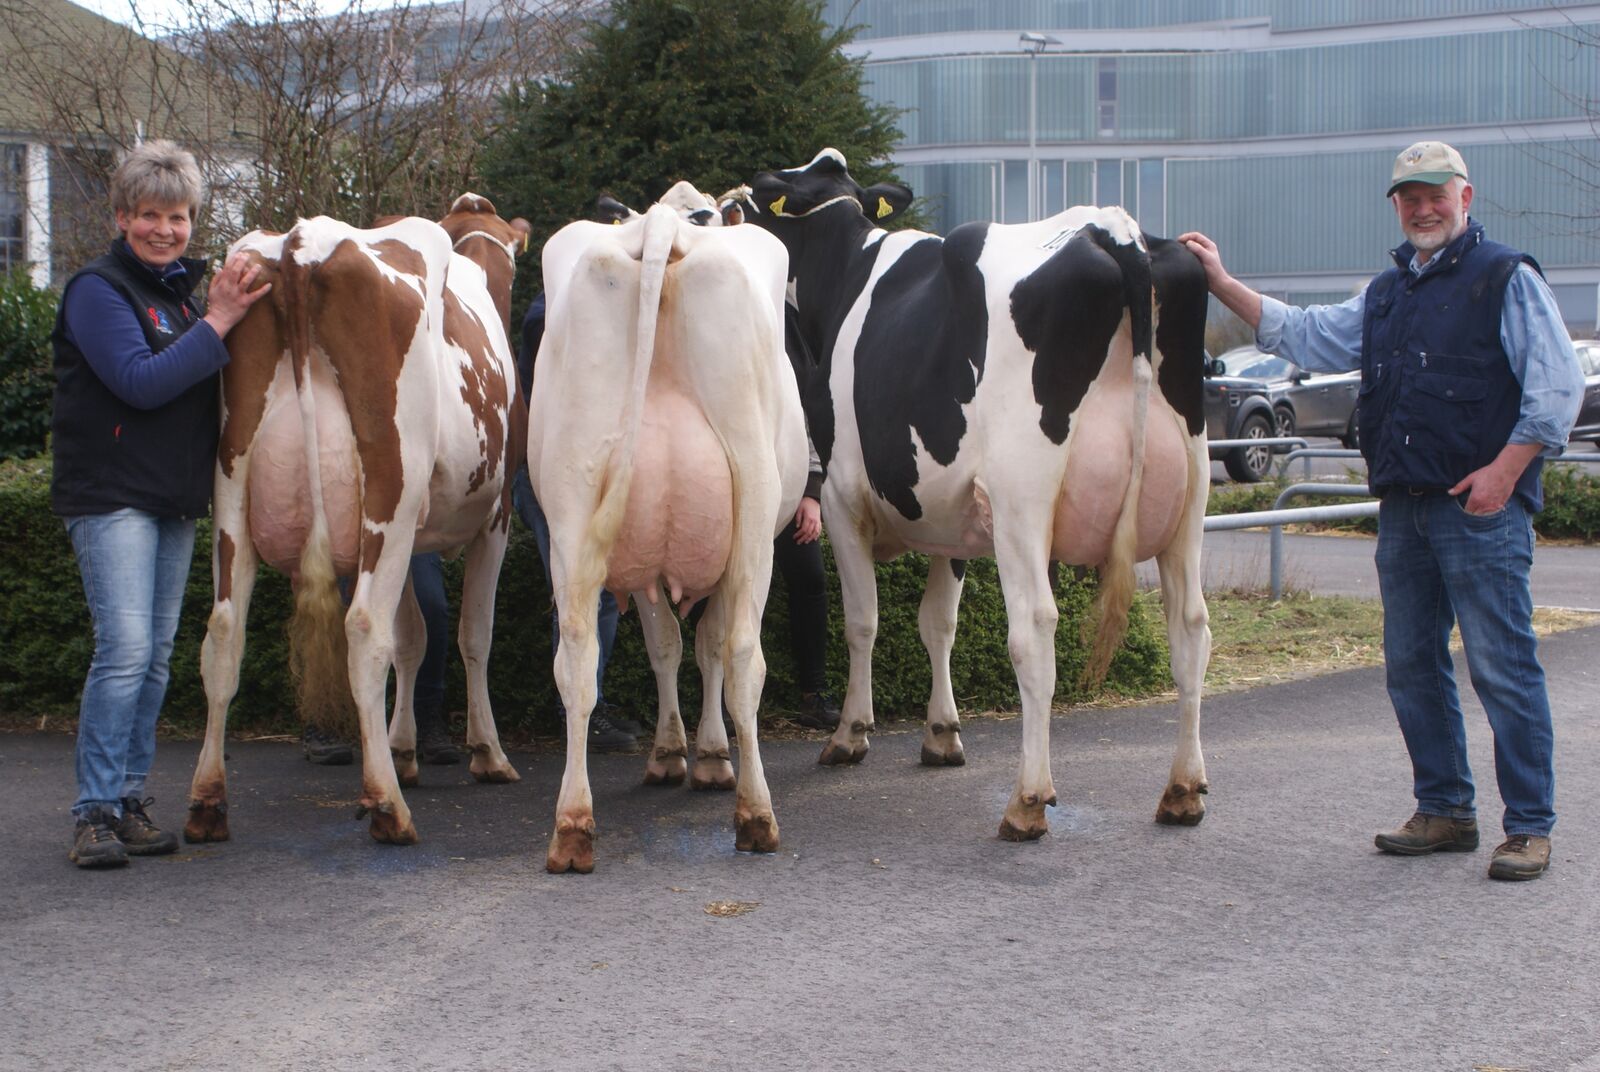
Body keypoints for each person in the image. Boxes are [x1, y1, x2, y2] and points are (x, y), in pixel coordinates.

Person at [1180, 140, 1581, 881]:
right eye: (1409, 197)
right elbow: (1303, 334)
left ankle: (1528, 827)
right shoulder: (1387, 294)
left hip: (1481, 510)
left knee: (1503, 667)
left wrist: (1505, 471)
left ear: (1467, 198)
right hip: (1404, 509)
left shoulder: (1505, 277)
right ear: (1396, 206)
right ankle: (1445, 810)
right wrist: (1221, 281)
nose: (1424, 208)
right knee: (1410, 668)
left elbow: (1555, 392)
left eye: (1437, 194)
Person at [51, 140, 269, 868]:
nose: (164, 230)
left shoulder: (178, 292)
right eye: (149, 215)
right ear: (121, 217)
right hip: (111, 497)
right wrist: (218, 322)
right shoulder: (97, 290)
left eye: (177, 216)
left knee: (153, 663)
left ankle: (127, 801)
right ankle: (92, 812)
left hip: (172, 500)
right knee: (125, 652)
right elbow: (139, 382)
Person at [514, 293, 643, 752]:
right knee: (581, 587)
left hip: (593, 462)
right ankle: (579, 706)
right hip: (549, 468)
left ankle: (588, 702)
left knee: (600, 589)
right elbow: (537, 322)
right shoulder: (552, 307)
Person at [301, 552, 463, 766]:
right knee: (335, 604)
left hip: (413, 529)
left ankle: (425, 714)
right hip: (349, 521)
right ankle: (325, 719)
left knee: (430, 604)